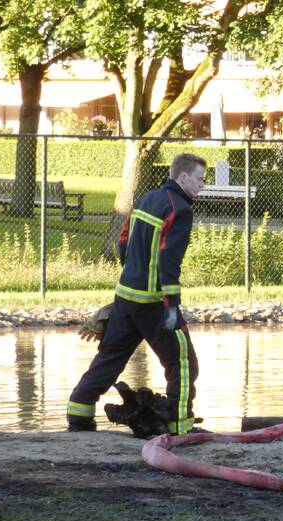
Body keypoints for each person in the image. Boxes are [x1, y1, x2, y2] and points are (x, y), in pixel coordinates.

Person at [67, 153, 206, 434]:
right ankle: (180, 424)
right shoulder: (180, 209)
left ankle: (78, 414)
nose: (202, 185)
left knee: (110, 357)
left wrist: (133, 273)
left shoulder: (147, 198)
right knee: (182, 362)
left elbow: (123, 240)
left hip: (126, 297)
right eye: (200, 179)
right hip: (154, 303)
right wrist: (171, 306)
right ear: (183, 178)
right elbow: (169, 261)